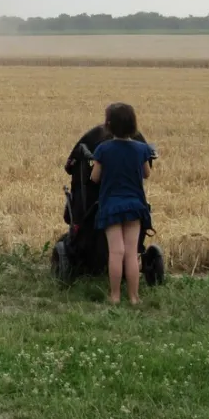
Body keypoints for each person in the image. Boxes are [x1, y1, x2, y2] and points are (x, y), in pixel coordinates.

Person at [89, 102, 154, 306]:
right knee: (131, 251)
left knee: (116, 252)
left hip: (111, 206)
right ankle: (134, 297)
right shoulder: (142, 149)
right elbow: (146, 174)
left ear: (108, 125)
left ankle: (115, 296)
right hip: (134, 206)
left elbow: (94, 178)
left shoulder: (103, 149)